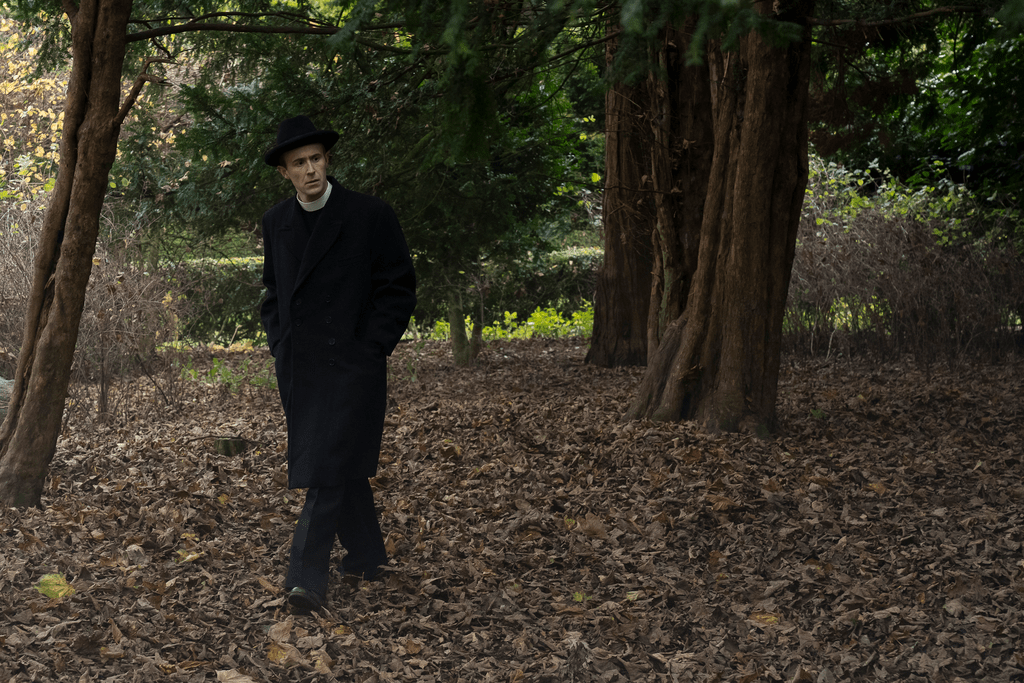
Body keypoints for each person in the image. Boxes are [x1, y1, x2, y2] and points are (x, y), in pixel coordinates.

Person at [260, 115, 417, 613]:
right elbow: (273, 293)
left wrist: (371, 347)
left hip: (352, 366)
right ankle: (367, 555)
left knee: (325, 466)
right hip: (301, 369)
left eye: (316, 159)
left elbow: (398, 286)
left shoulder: (369, 215)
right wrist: (279, 344)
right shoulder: (276, 222)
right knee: (340, 462)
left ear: (327, 160)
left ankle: (305, 578)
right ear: (284, 172)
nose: (310, 170)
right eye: (299, 163)